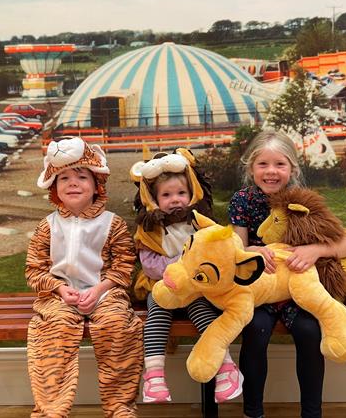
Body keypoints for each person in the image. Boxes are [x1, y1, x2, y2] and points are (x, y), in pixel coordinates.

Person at [228, 129, 346, 418]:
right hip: (261, 291)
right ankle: (253, 412)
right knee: (255, 332)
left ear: (293, 168)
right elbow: (237, 247)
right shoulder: (242, 201)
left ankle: (312, 413)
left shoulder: (304, 202)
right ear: (251, 168)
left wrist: (316, 250)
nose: (271, 172)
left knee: (309, 332)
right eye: (263, 164)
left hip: (299, 291)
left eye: (279, 164)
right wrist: (252, 252)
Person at [25, 137, 143, 417]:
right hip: (58, 296)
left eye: (81, 176)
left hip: (105, 293)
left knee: (118, 326)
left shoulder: (112, 223)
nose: (73, 182)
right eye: (63, 177)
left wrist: (101, 289)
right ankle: (51, 408)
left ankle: (120, 407)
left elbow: (124, 266)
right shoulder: (47, 227)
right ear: (54, 188)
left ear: (96, 185)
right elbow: (35, 270)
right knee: (54, 330)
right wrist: (59, 288)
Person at [131, 149, 243, 404]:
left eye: (181, 193)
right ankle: (154, 375)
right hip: (164, 287)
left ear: (192, 192)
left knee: (203, 311)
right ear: (153, 198)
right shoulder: (151, 229)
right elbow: (149, 266)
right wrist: (182, 266)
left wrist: (193, 272)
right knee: (156, 310)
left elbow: (216, 252)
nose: (175, 200)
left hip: (197, 288)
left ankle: (225, 367)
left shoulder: (200, 222)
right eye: (166, 195)